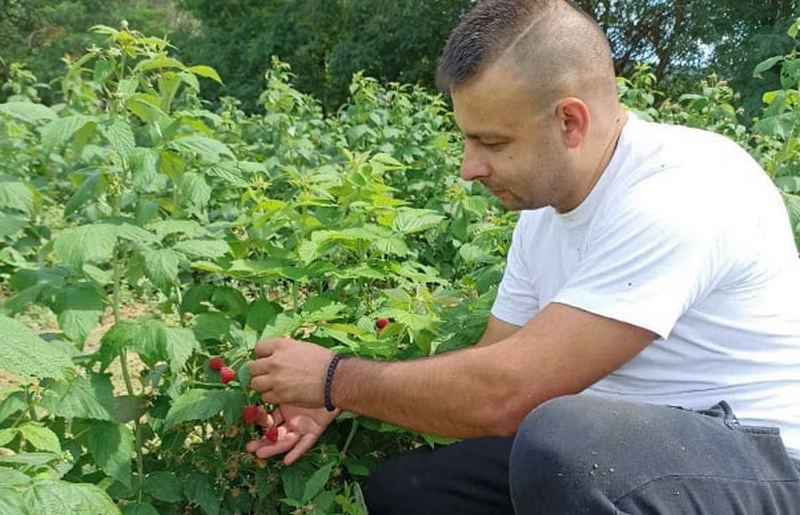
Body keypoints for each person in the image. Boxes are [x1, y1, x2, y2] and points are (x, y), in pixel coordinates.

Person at [246, 0, 800, 512]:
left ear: (570, 122)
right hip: (613, 462)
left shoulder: (682, 188)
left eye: (493, 143)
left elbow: (504, 397)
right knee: (408, 492)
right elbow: (490, 367)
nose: (469, 167)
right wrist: (335, 400)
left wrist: (335, 378)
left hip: (761, 464)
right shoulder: (543, 215)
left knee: (561, 442)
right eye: (467, 140)